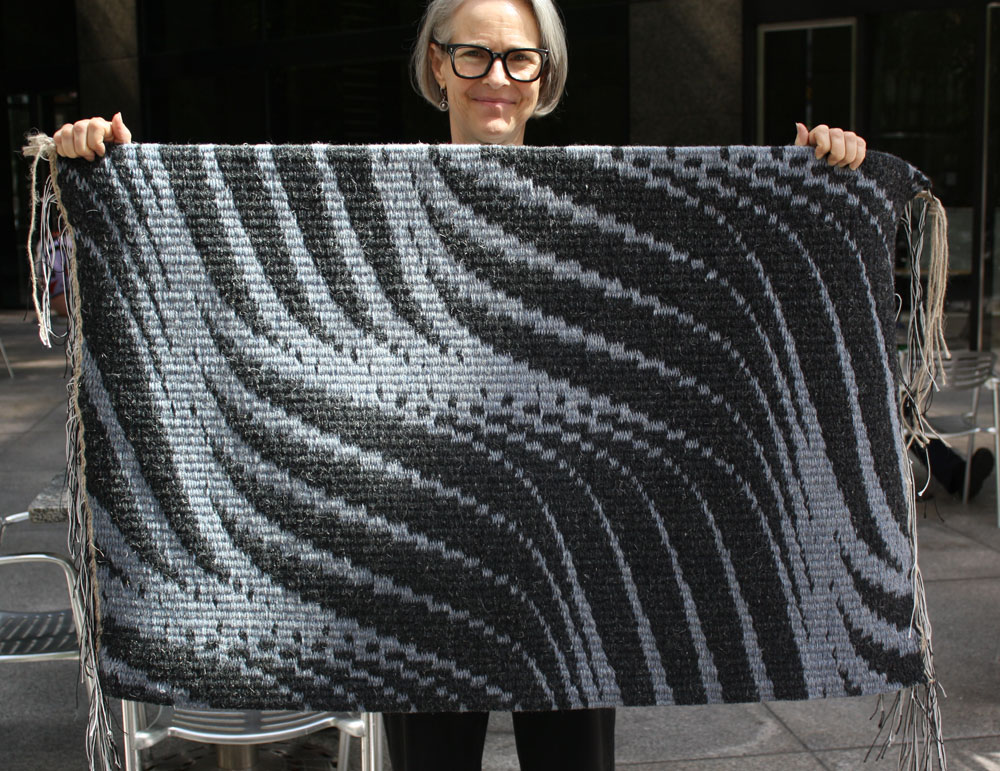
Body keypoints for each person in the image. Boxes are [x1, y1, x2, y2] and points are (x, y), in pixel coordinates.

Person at [52, 2, 868, 768]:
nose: (497, 76)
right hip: (421, 559)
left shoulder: (603, 206)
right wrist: (108, 167)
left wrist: (826, 175)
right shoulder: (370, 205)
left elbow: (718, 297)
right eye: (473, 54)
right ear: (437, 65)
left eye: (518, 57)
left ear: (545, 73)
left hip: (571, 561)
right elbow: (232, 263)